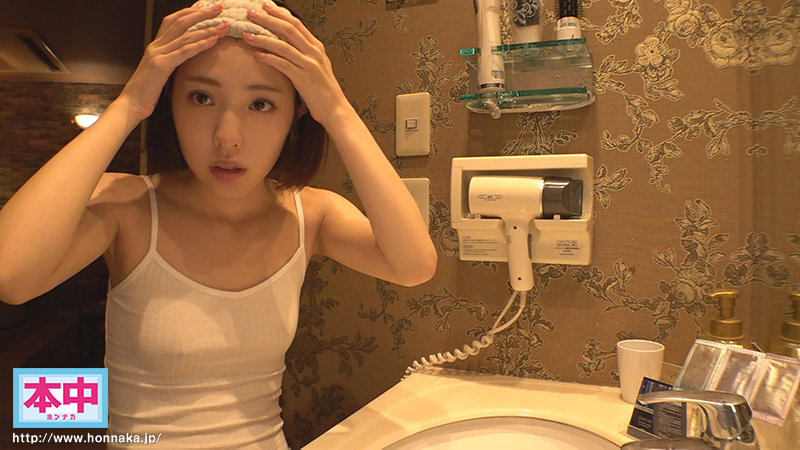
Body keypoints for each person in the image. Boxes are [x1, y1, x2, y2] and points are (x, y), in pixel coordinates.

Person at [0, 1, 437, 448]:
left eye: (261, 103)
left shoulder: (311, 215)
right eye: (201, 98)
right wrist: (128, 104)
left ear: (296, 113)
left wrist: (338, 110)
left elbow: (413, 266)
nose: (227, 137)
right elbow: (10, 276)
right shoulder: (127, 206)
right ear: (169, 99)